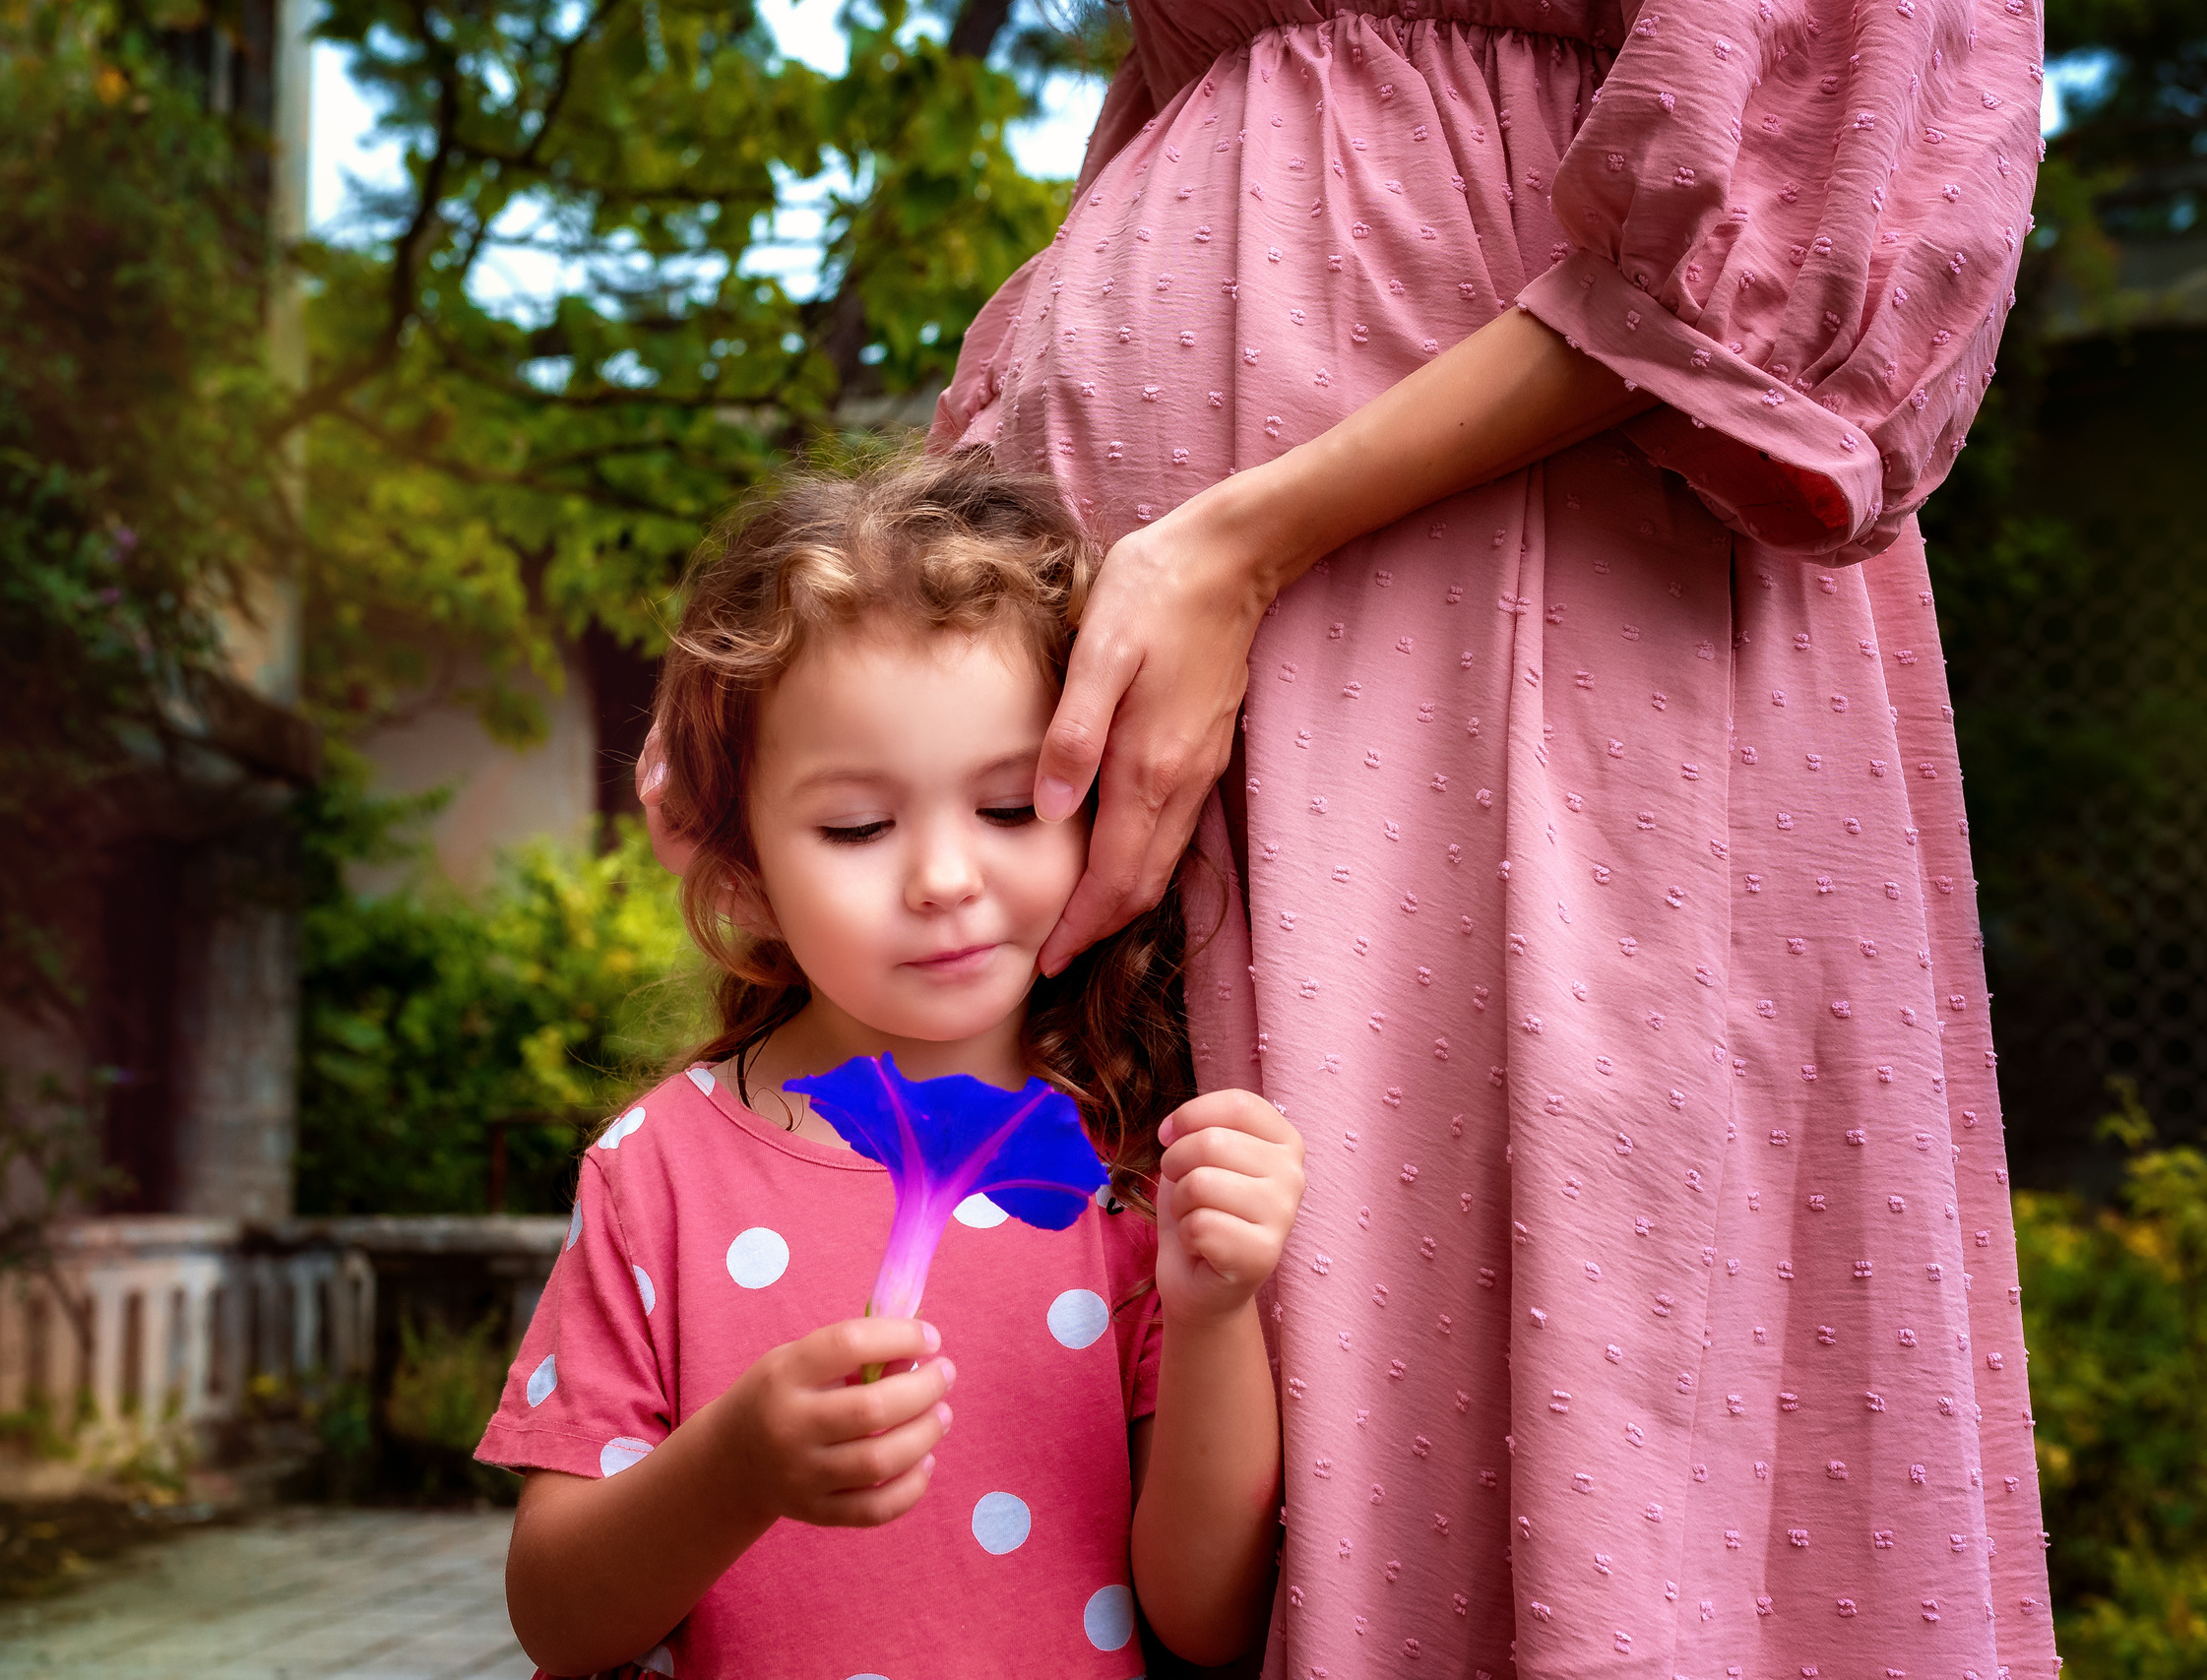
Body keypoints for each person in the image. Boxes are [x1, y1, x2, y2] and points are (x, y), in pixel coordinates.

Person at [907, 0, 2059, 1671]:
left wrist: (1248, 537)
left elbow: (1811, 144)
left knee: (1521, 1396)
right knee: (1167, 1375)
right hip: (1151, 662)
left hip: (1521, 599)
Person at [479, 452, 1307, 1679]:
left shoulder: (1131, 1161)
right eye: (858, 826)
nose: (943, 879)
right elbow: (556, 1619)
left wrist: (1212, 1312)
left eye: (1013, 805)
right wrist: (737, 1463)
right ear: (743, 861)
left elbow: (1210, 1620)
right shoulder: (657, 1171)